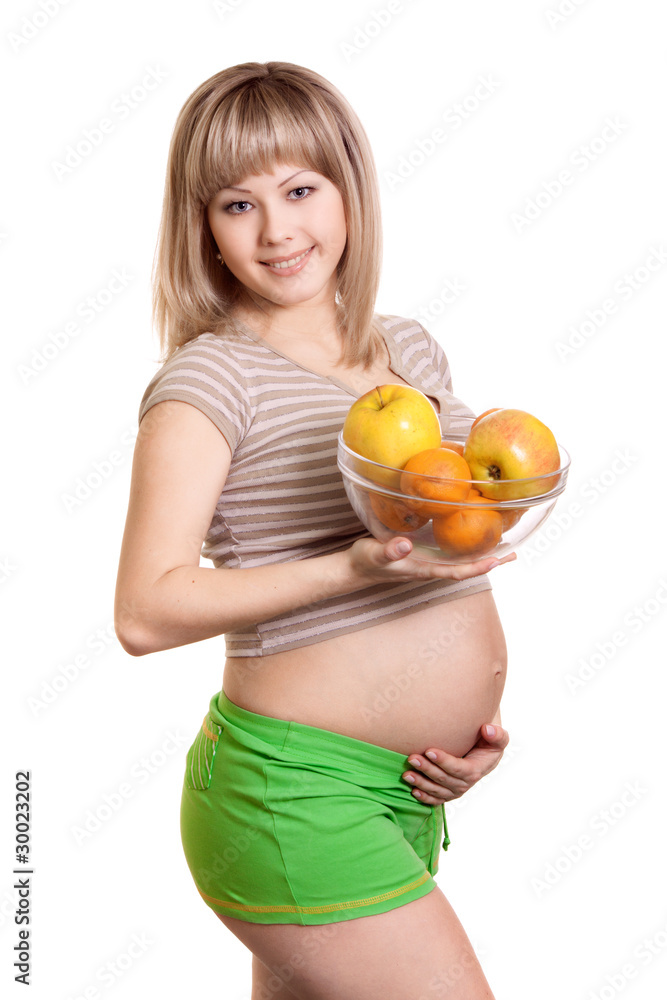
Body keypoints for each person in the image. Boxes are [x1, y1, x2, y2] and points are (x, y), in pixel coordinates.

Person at [114, 61, 516, 1000]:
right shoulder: (211, 384)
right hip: (292, 798)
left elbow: (447, 552)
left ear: (348, 189)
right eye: (237, 204)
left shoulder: (406, 349)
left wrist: (467, 729)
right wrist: (349, 568)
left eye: (300, 189)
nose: (279, 229)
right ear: (202, 229)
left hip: (401, 792)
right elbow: (145, 610)